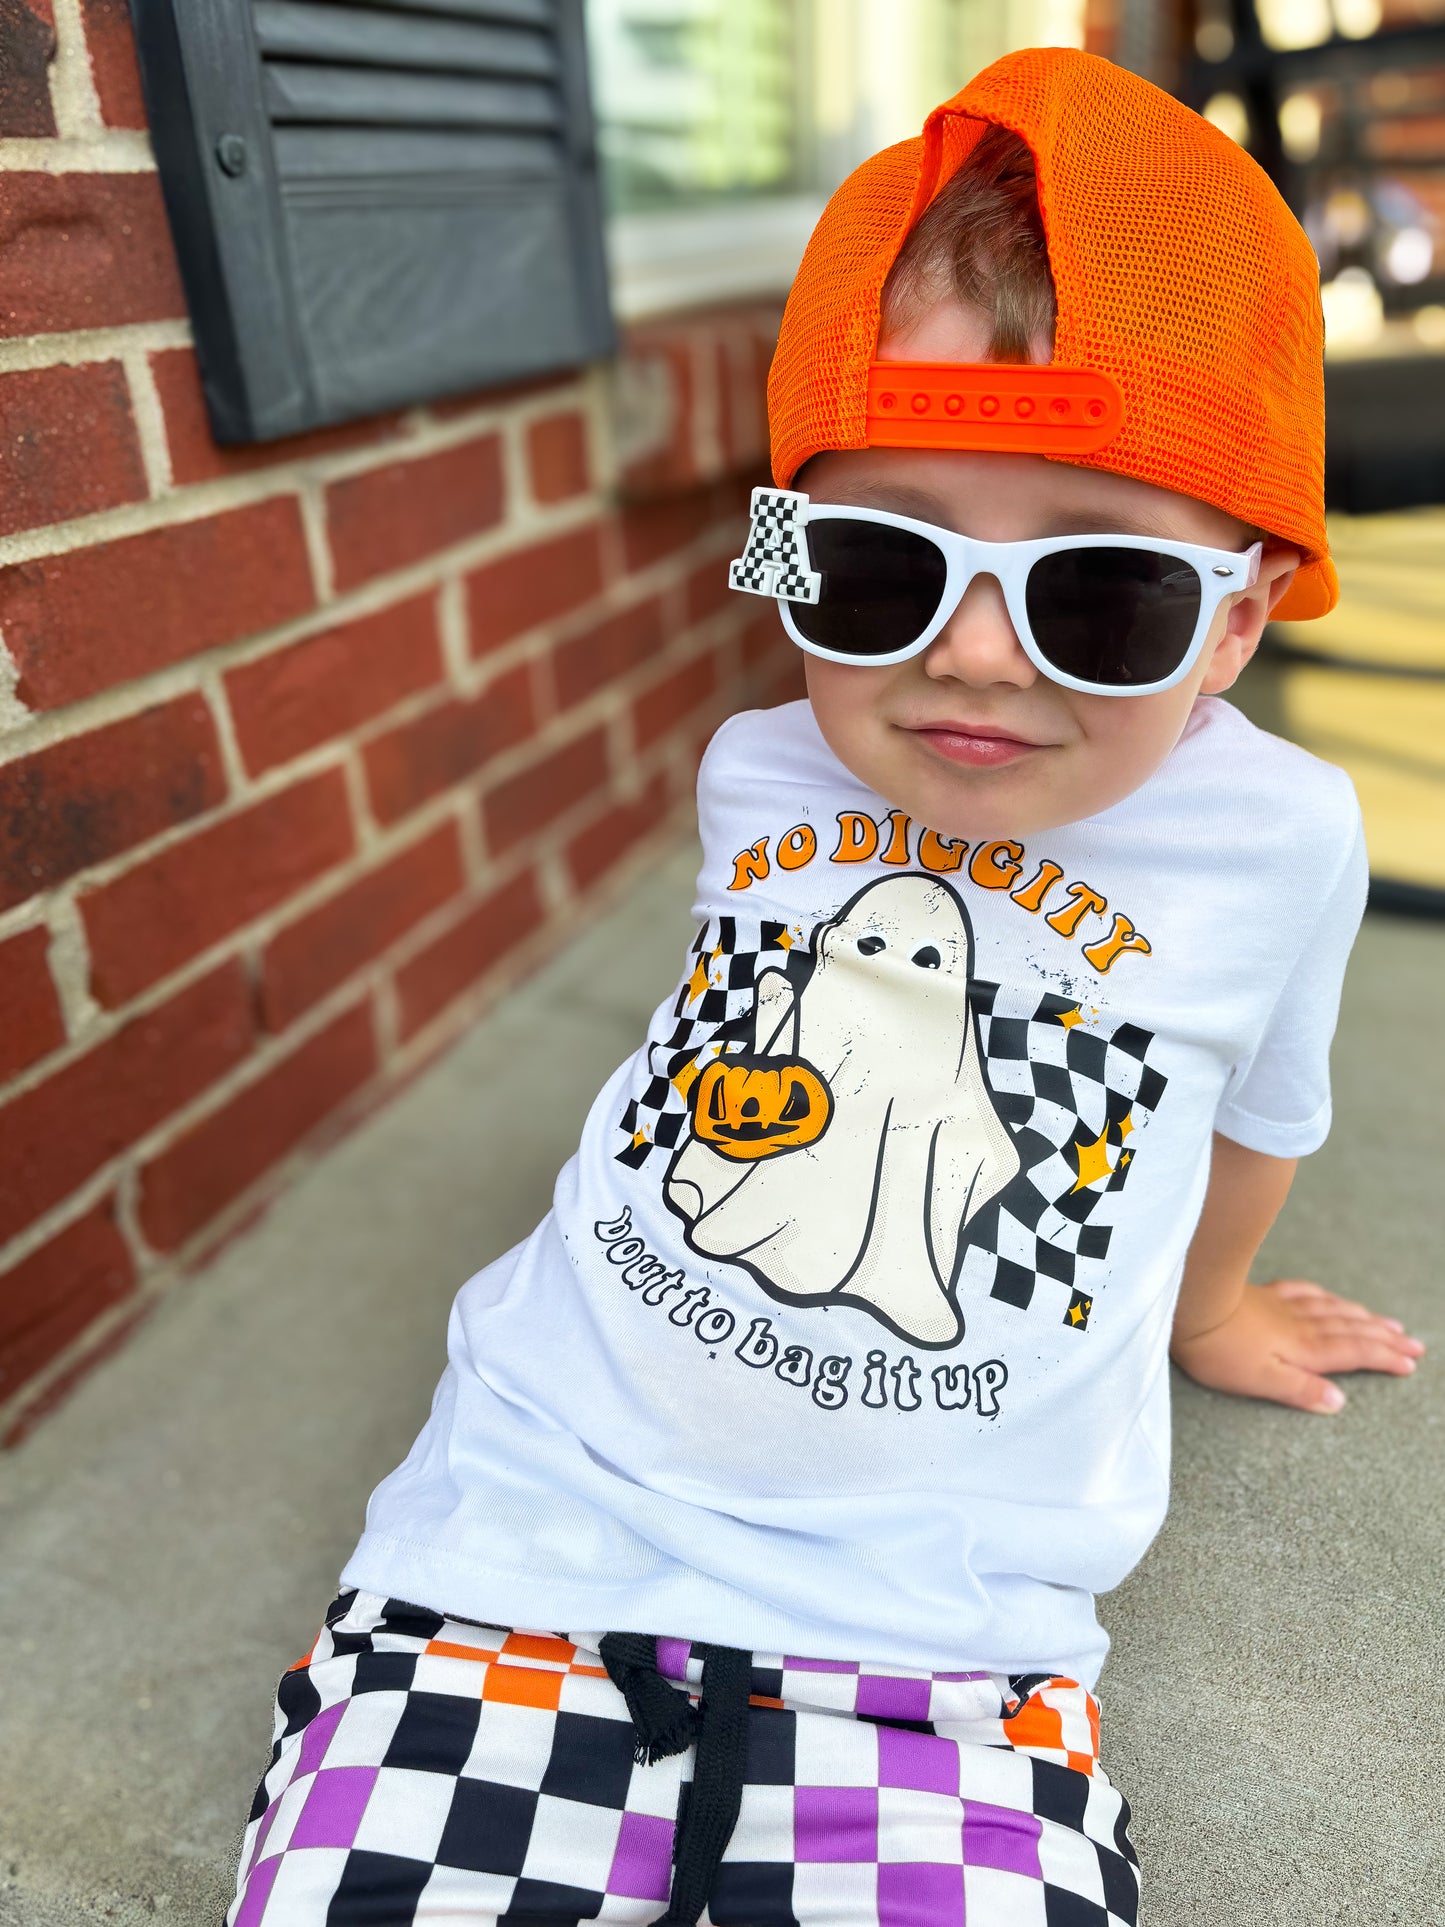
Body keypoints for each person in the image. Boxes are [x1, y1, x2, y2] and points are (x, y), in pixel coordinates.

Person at [227, 48, 1424, 1927]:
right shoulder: (764, 765)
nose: (974, 658)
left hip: (939, 1620)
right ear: (788, 556)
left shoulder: (1273, 841)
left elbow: (1260, 1111)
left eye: (1099, 595)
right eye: (877, 570)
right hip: (525, 1528)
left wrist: (1206, 1311)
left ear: (1239, 619)